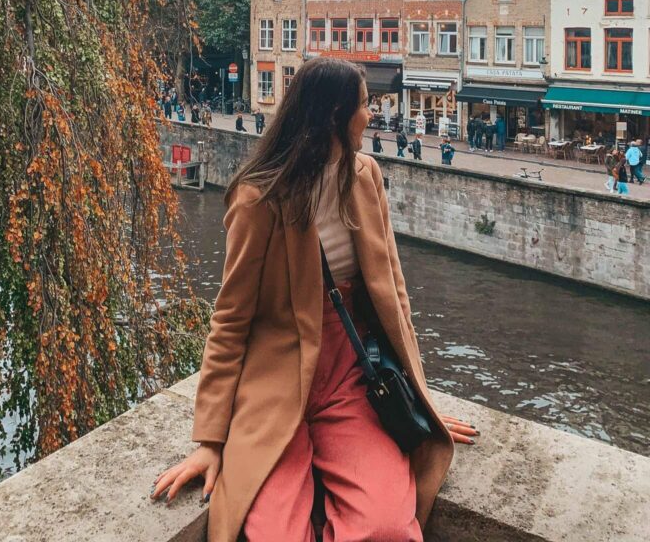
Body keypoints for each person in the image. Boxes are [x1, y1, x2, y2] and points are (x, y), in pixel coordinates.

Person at [151, 57, 476, 541]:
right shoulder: (260, 199)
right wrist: (210, 439)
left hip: (351, 375)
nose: (372, 116)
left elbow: (394, 294)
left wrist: (415, 394)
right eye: (365, 107)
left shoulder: (365, 176)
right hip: (277, 381)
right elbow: (231, 319)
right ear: (334, 116)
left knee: (386, 528)